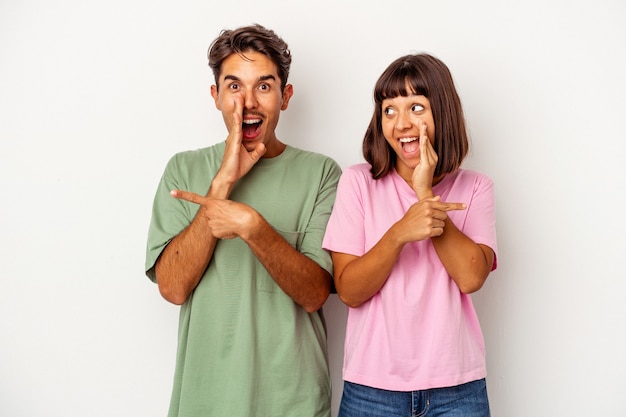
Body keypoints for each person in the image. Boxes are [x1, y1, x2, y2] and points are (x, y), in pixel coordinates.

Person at [145, 24, 341, 417]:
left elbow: (315, 294)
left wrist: (253, 228)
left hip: (293, 402)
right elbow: (173, 288)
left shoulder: (322, 174)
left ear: (285, 97)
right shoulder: (183, 170)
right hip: (205, 401)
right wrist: (222, 185)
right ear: (216, 96)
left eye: (264, 87)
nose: (247, 103)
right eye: (234, 87)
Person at [322, 53, 498, 416]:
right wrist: (400, 232)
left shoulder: (476, 187)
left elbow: (471, 277)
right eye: (389, 110)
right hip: (371, 390)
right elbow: (350, 291)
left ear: (442, 113)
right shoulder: (357, 183)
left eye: (416, 107)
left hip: (457, 390)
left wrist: (424, 195)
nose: (401, 123)